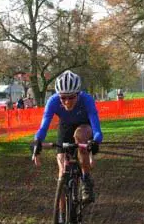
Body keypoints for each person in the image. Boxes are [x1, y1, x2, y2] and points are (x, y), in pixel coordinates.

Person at [32, 70, 103, 204]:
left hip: (84, 126)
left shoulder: (87, 100)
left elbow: (97, 130)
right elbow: (43, 127)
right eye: (63, 97)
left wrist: (95, 141)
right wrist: (37, 140)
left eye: (71, 97)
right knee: (62, 171)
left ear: (78, 94)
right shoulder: (53, 101)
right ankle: (60, 218)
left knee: (79, 136)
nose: (67, 102)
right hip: (65, 127)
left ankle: (86, 180)